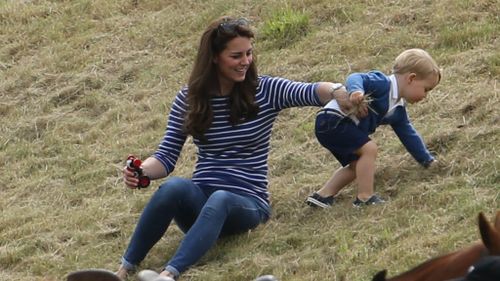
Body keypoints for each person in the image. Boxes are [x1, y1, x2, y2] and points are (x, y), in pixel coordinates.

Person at [115, 16, 353, 280]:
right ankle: (124, 269)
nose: (246, 62)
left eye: (249, 54)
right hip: (201, 204)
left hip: (246, 203)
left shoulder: (265, 90)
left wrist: (338, 90)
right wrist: (141, 172)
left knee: (222, 198)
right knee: (173, 187)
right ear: (215, 57)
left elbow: (311, 91)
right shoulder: (189, 99)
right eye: (236, 55)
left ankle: (168, 275)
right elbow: (166, 156)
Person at [306, 48, 441, 208]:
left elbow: (408, 135)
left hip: (336, 126)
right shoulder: (383, 84)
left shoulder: (398, 110)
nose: (425, 96)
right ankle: (365, 198)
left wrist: (427, 160)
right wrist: (356, 91)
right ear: (411, 78)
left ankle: (323, 195)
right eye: (426, 89)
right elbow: (355, 77)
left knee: (359, 164)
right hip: (332, 120)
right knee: (369, 149)